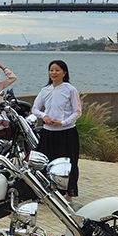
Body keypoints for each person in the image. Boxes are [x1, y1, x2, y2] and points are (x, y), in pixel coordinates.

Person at [32, 60, 82, 204]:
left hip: (67, 133)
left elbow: (77, 112)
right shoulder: (45, 90)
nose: (54, 72)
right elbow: (35, 109)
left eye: (57, 70)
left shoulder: (70, 89)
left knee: (69, 163)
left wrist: (63, 122)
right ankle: (47, 193)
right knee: (46, 163)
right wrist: (44, 116)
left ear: (64, 73)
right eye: (51, 70)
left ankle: (68, 194)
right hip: (48, 133)